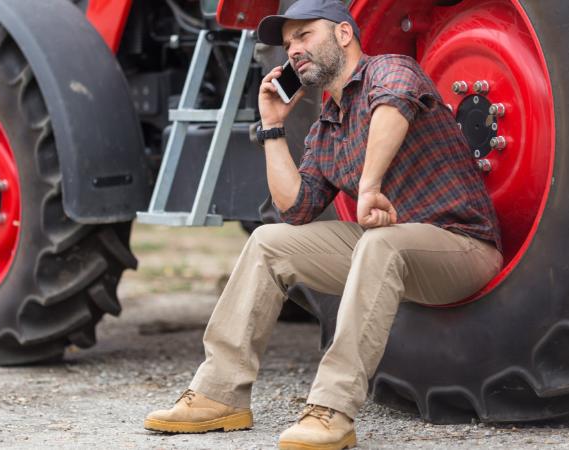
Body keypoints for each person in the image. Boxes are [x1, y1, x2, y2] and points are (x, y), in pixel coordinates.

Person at [144, 0, 503, 448]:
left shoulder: (390, 68)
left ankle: (331, 408)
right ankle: (220, 394)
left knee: (379, 244)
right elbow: (296, 208)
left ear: (344, 35)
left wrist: (369, 186)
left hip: (462, 248)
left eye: (305, 34)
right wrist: (272, 128)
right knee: (268, 242)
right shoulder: (326, 128)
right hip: (391, 249)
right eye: (289, 42)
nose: (293, 50)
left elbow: (394, 104)